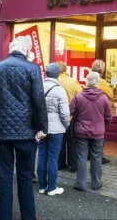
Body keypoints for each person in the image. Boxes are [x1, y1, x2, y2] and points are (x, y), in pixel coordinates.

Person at [0, 36, 48, 220]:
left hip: (1, 132)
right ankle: (27, 216)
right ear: (27, 51)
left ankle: (2, 217)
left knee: (4, 177)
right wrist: (42, 128)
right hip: (26, 132)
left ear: (11, 49)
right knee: (25, 177)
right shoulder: (32, 69)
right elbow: (38, 101)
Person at [69, 72, 112, 191]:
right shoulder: (104, 98)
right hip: (98, 133)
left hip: (81, 132)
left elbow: (69, 111)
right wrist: (103, 125)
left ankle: (80, 183)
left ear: (86, 82)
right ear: (97, 83)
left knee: (81, 157)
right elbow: (109, 117)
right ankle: (96, 183)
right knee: (96, 157)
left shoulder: (78, 97)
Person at [37, 63, 70, 195]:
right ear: (58, 74)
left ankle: (41, 186)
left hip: (41, 128)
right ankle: (52, 188)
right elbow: (65, 113)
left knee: (41, 156)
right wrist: (66, 125)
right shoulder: (59, 90)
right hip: (56, 129)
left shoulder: (38, 87)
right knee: (52, 158)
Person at [56, 61, 82, 172]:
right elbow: (81, 95)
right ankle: (73, 165)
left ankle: (60, 164)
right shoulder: (73, 81)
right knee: (72, 141)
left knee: (60, 141)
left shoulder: (55, 81)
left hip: (57, 117)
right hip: (71, 116)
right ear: (66, 69)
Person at [91, 59, 114, 164]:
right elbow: (111, 95)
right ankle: (99, 157)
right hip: (99, 110)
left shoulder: (89, 77)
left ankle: (89, 154)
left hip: (87, 109)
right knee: (99, 135)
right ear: (102, 69)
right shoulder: (102, 81)